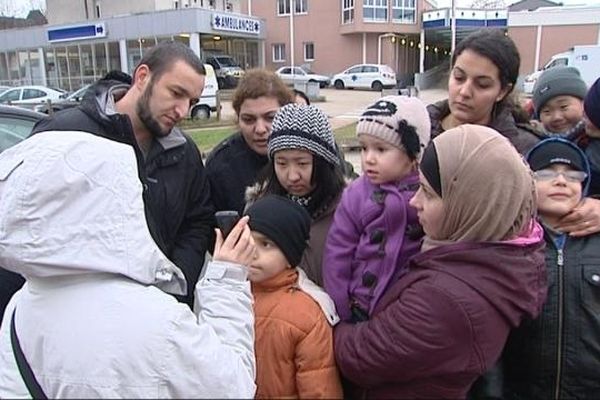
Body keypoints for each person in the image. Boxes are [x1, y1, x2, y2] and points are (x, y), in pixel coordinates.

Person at [0, 130, 256, 398]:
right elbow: (233, 386)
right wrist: (227, 279)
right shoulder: (157, 321)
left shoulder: (21, 305)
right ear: (110, 200)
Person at [334, 124, 547, 399]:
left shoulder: (446, 299)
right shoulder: (489, 257)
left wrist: (316, 321)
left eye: (428, 192)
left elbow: (360, 357)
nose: (414, 202)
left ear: (469, 204)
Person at [26, 41, 214, 309]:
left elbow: (196, 223)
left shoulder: (185, 153)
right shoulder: (65, 133)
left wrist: (175, 289)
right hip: (73, 315)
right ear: (142, 77)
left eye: (192, 101)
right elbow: (26, 221)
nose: (183, 111)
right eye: (176, 93)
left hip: (157, 315)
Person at [501, 138, 600, 399]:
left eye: (573, 175)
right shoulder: (509, 244)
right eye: (545, 173)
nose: (561, 181)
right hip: (520, 389)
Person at [324, 96, 430, 322]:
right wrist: (340, 307)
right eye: (363, 148)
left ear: (413, 154)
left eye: (381, 149)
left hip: (409, 307)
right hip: (360, 305)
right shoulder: (356, 194)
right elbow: (338, 251)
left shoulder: (428, 193)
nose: (368, 159)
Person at [245, 195, 343, 399]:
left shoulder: (307, 313)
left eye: (266, 244)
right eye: (247, 241)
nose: (252, 252)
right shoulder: (228, 297)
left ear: (290, 255)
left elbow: (319, 387)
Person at [245, 104, 345, 286]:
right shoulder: (259, 206)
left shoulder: (348, 209)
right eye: (281, 164)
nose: (292, 176)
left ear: (323, 163)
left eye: (302, 163)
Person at [428, 29, 541, 155]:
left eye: (482, 85)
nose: (464, 92)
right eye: (459, 77)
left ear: (503, 91)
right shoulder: (414, 131)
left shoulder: (524, 151)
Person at [206, 69, 295, 215]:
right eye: (248, 119)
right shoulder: (220, 165)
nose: (260, 129)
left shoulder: (313, 152)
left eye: (270, 118)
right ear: (238, 118)